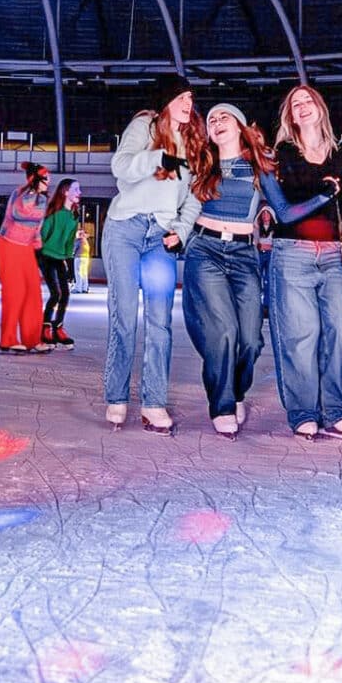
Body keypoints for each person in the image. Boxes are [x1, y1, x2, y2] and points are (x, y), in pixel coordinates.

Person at [184, 102, 337, 439]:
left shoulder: (258, 167)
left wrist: (323, 197)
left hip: (243, 254)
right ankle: (222, 404)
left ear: (240, 126)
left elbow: (283, 211)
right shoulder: (199, 163)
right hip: (204, 249)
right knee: (223, 332)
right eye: (211, 119)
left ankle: (236, 391)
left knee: (251, 340)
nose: (217, 122)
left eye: (225, 116)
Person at [103, 81, 208, 433]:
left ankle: (153, 402)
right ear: (165, 103)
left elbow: (194, 196)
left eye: (190, 98)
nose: (187, 102)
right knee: (125, 316)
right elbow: (121, 166)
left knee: (160, 322)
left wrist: (182, 228)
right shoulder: (144, 126)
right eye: (180, 97)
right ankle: (117, 397)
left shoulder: (194, 144)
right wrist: (158, 157)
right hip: (126, 228)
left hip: (160, 239)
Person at [268, 84, 342, 441]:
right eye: (296, 104)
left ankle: (336, 410)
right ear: (290, 115)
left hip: (329, 254)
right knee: (301, 335)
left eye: (308, 100)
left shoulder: (341, 152)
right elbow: (293, 193)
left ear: (320, 107)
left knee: (336, 335)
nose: (303, 107)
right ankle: (303, 413)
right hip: (292, 252)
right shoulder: (284, 151)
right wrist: (325, 187)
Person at [0, 163, 52, 354]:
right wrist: (32, 192)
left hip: (26, 247)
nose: (49, 181)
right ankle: (8, 339)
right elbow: (17, 214)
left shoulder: (42, 199)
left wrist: (37, 243)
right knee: (15, 291)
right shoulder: (19, 195)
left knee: (33, 292)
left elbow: (36, 226)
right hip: (8, 244)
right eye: (45, 178)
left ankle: (32, 339)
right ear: (35, 180)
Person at [39, 179, 82, 349]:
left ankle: (58, 327)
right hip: (46, 255)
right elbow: (42, 236)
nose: (80, 192)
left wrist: (69, 267)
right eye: (76, 189)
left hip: (59, 258)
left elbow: (70, 243)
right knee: (55, 294)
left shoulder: (74, 216)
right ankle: (45, 328)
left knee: (65, 294)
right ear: (65, 192)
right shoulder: (53, 213)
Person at [73, 228, 91, 293]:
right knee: (84, 274)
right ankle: (85, 288)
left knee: (78, 273)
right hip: (86, 258)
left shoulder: (78, 240)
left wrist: (71, 254)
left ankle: (78, 288)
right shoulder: (86, 241)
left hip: (79, 258)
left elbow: (73, 250)